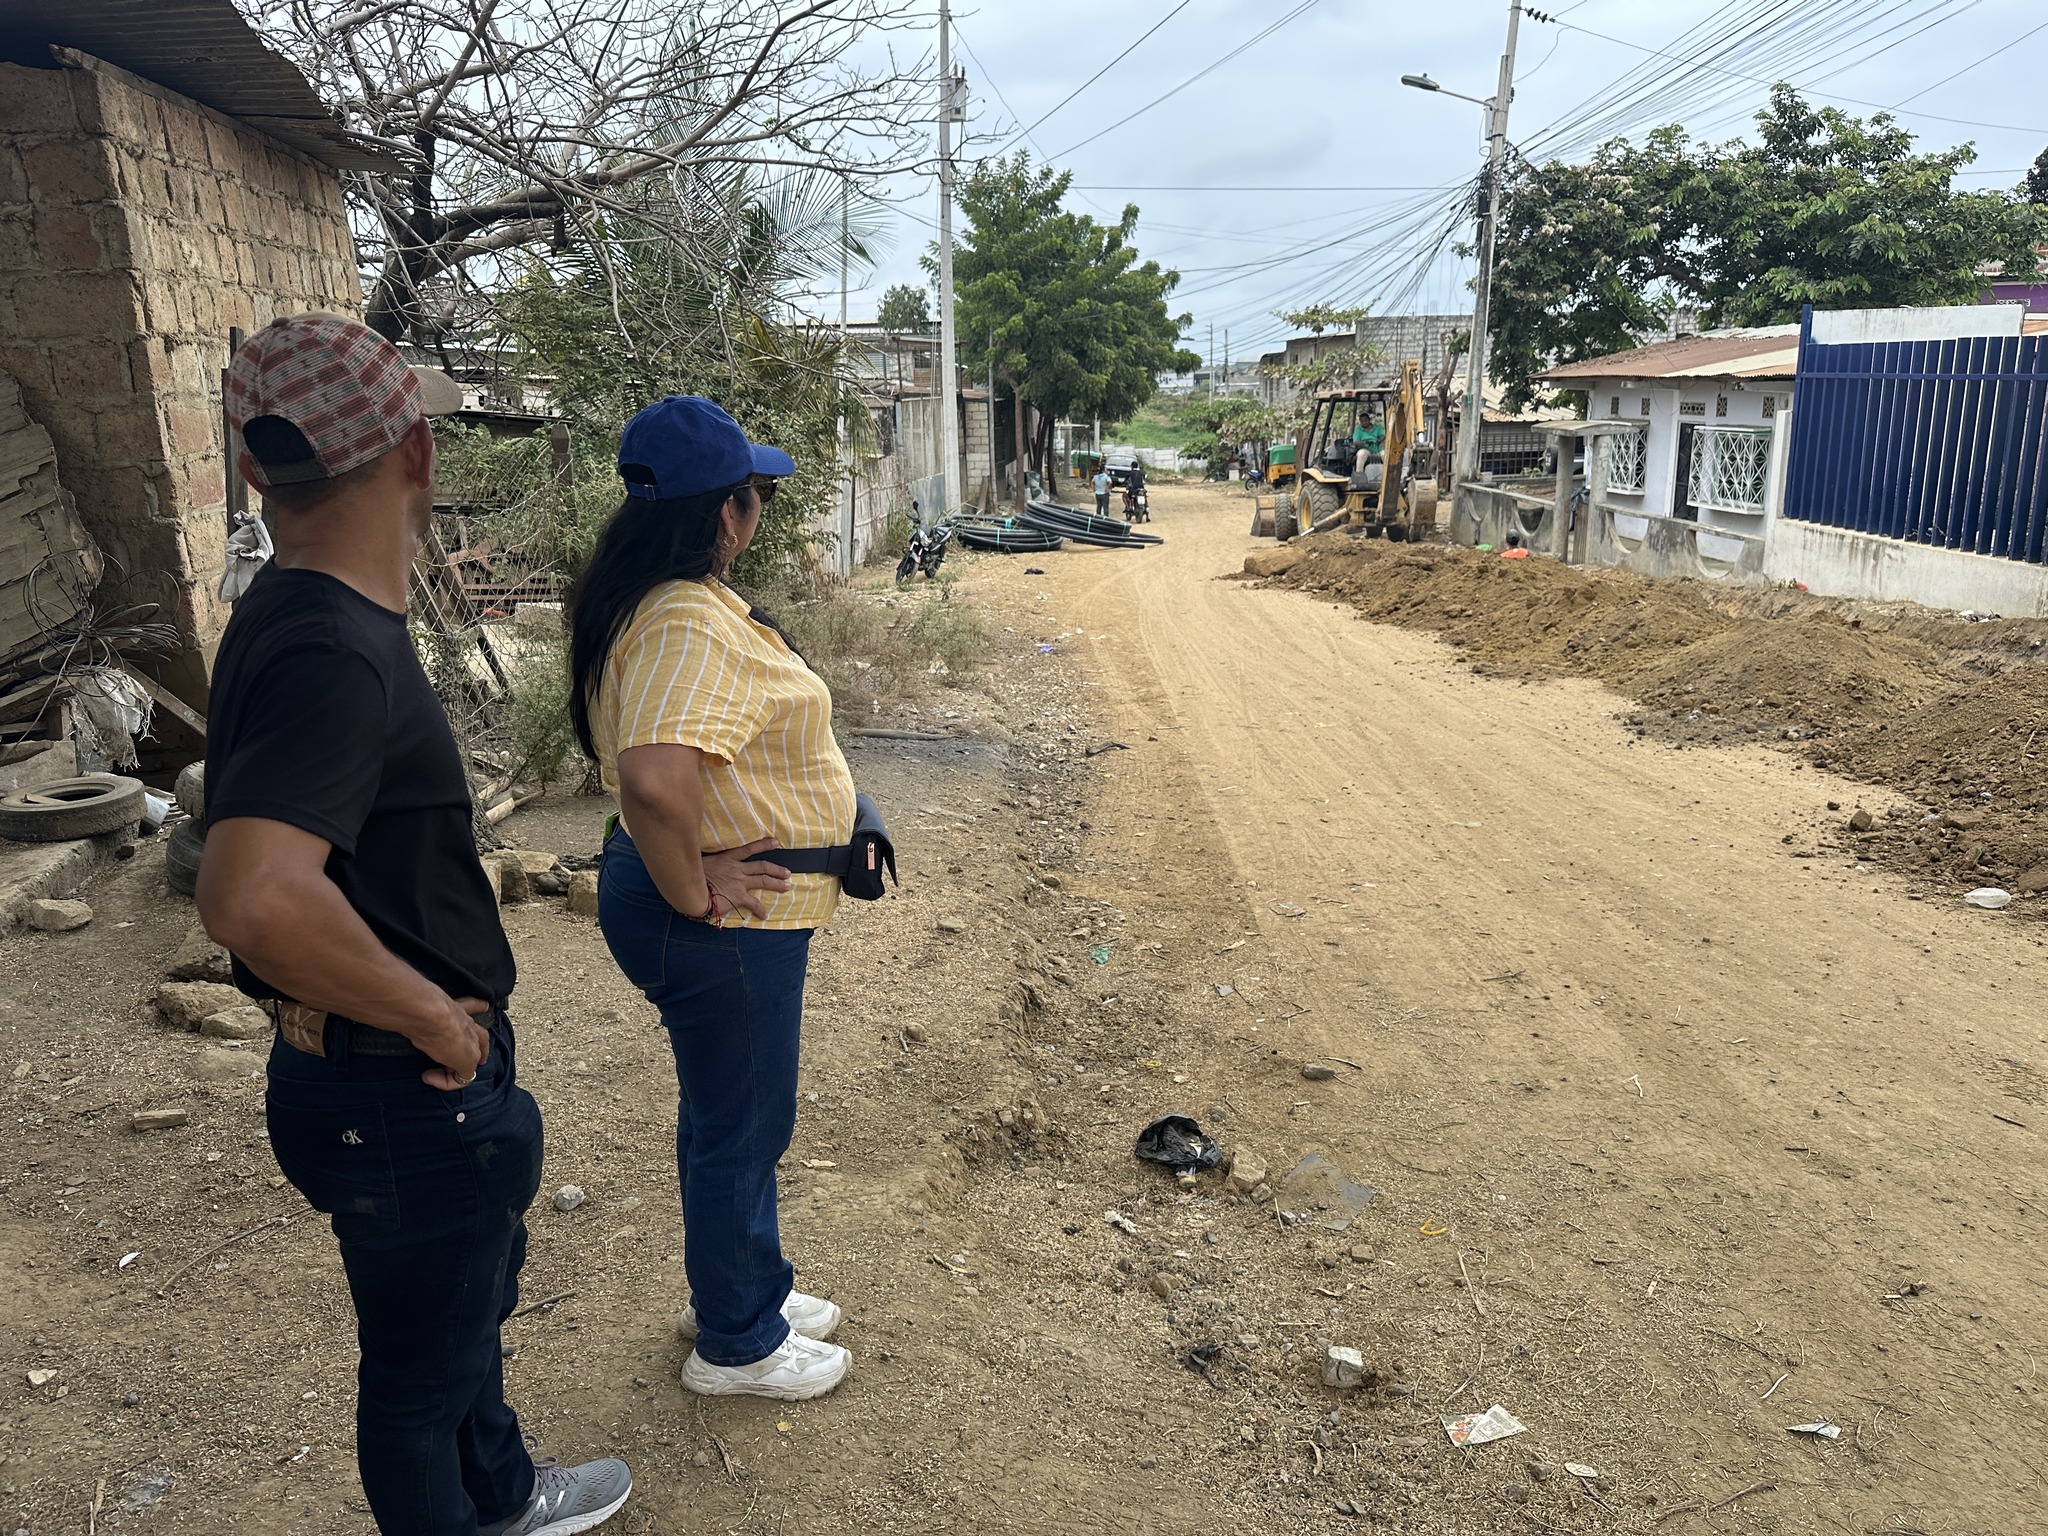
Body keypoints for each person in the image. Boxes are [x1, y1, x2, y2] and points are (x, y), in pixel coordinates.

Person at [197, 313, 631, 1536]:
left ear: (253, 468)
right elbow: (252, 894)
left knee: (458, 1322)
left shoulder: (293, 612)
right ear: (418, 453)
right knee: (414, 1382)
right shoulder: (331, 647)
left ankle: (501, 1495)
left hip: (381, 1082)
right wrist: (434, 1016)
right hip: (399, 1088)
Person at [569, 395, 857, 1402]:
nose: (759, 511)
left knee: (727, 1115)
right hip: (722, 926)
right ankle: (737, 1342)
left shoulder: (664, 600)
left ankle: (743, 1290)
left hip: (720, 918)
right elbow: (655, 780)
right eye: (756, 495)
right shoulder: (684, 618)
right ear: (727, 512)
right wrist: (695, 892)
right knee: (741, 1125)